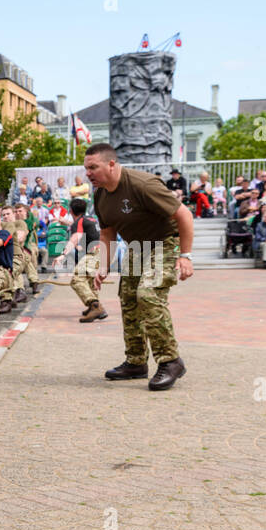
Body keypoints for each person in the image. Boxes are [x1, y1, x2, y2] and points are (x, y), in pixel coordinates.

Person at [85, 142, 193, 391]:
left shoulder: (142, 184)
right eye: (86, 168)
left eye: (93, 167)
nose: (88, 173)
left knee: (148, 293)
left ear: (111, 164)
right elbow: (107, 233)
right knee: (129, 298)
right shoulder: (100, 193)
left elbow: (184, 215)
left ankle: (171, 361)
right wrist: (103, 266)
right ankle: (136, 362)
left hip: (165, 243)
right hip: (136, 247)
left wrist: (185, 256)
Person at [61, 197, 107, 322]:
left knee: (77, 279)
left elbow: (76, 236)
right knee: (90, 281)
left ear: (71, 211)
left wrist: (63, 254)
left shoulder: (79, 223)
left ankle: (95, 306)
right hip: (104, 252)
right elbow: (79, 227)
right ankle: (94, 308)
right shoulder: (90, 220)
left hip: (94, 252)